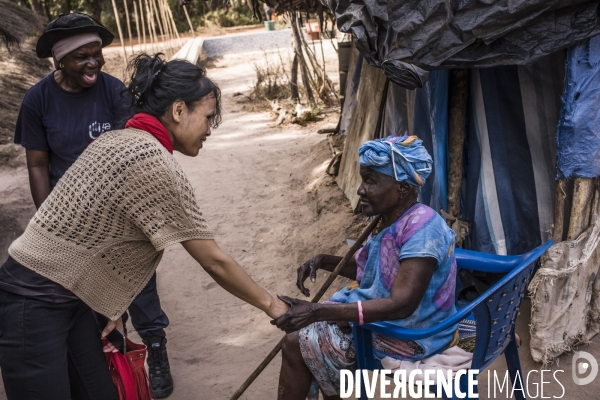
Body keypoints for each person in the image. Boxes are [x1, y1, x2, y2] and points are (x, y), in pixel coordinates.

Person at [0, 52, 289, 400]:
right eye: (208, 117)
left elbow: (94, 235)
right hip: (31, 303)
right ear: (179, 111)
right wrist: (276, 307)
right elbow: (213, 259)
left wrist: (110, 306)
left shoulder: (119, 140)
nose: (209, 131)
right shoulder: (151, 162)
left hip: (72, 302)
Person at [6, 13, 175, 397]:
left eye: (97, 53)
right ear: (59, 60)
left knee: (138, 289)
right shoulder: (38, 100)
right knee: (90, 302)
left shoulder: (114, 93)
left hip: (119, 218)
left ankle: (156, 347)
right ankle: (112, 365)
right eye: (82, 56)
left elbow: (134, 156)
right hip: (71, 225)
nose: (94, 63)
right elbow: (37, 165)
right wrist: (51, 225)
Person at [272, 136, 458, 400]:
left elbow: (402, 304)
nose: (360, 190)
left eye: (370, 181)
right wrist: (323, 260)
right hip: (393, 322)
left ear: (402, 189)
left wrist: (317, 312)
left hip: (412, 335)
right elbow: (369, 270)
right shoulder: (388, 221)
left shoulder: (423, 227)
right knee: (304, 338)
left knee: (296, 342)